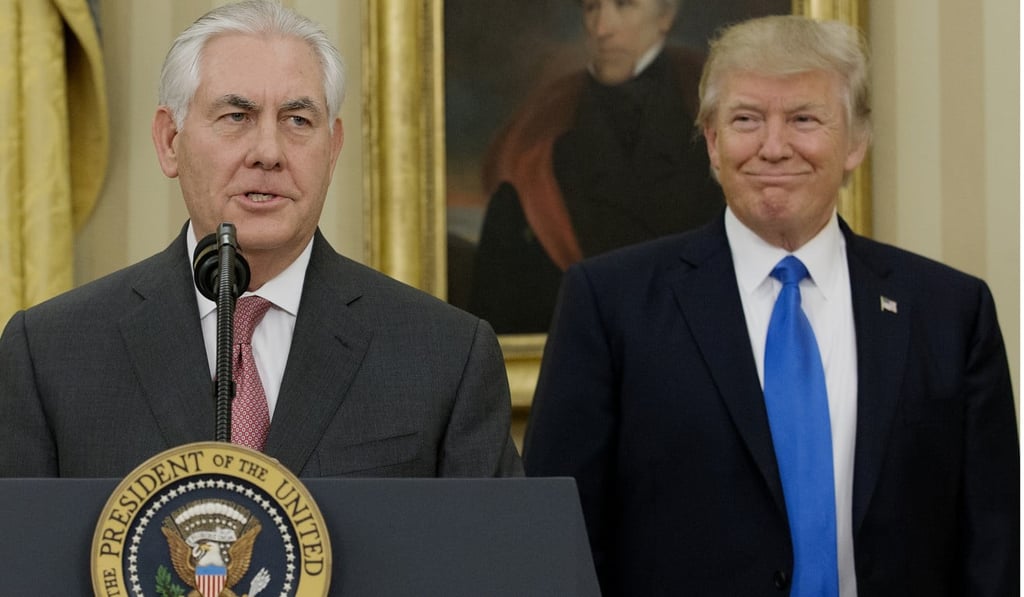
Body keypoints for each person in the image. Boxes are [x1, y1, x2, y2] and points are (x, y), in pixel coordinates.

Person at [524, 14, 1018, 596]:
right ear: (711, 142)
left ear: (855, 141)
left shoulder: (949, 312)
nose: (774, 147)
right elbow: (556, 540)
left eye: (804, 119)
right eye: (746, 120)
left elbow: (992, 547)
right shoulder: (610, 304)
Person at [0, 0, 522, 479]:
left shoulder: (446, 356)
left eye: (298, 120)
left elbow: (497, 565)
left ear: (333, 148)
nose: (268, 152)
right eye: (236, 117)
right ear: (169, 142)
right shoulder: (50, 353)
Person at [466, 0, 723, 333]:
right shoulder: (538, 137)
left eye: (624, 5)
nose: (602, 28)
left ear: (666, 15)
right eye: (591, 8)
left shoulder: (714, 111)